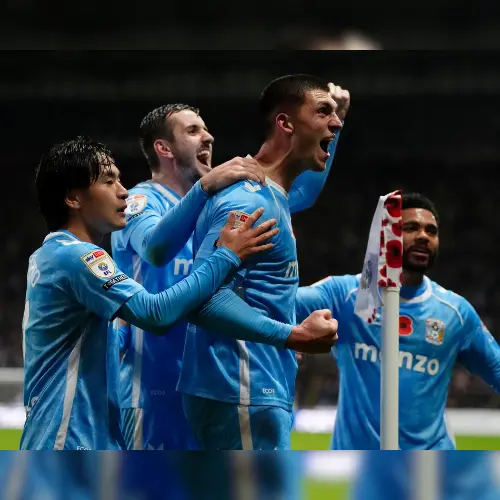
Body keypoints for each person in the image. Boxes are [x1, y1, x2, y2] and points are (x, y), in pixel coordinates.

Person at [20, 136, 309, 450]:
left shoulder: (48, 255)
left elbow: (95, 341)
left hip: (67, 436)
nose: (123, 191)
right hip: (68, 440)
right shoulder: (79, 257)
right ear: (73, 198)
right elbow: (155, 314)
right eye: (108, 181)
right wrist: (225, 255)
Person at [112, 88, 347, 449]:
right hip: (153, 388)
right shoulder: (141, 201)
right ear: (164, 148)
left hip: (208, 378)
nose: (208, 137)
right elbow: (156, 249)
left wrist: (333, 130)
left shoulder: (219, 202)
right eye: (193, 130)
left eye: (206, 129)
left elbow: (297, 193)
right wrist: (204, 186)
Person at [296, 192, 500, 450]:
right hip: (361, 465)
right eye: (411, 228)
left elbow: (496, 368)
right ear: (386, 236)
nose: (424, 236)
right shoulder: (346, 296)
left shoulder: (455, 313)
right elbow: (281, 305)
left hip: (428, 467)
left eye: (431, 231)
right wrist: (288, 336)